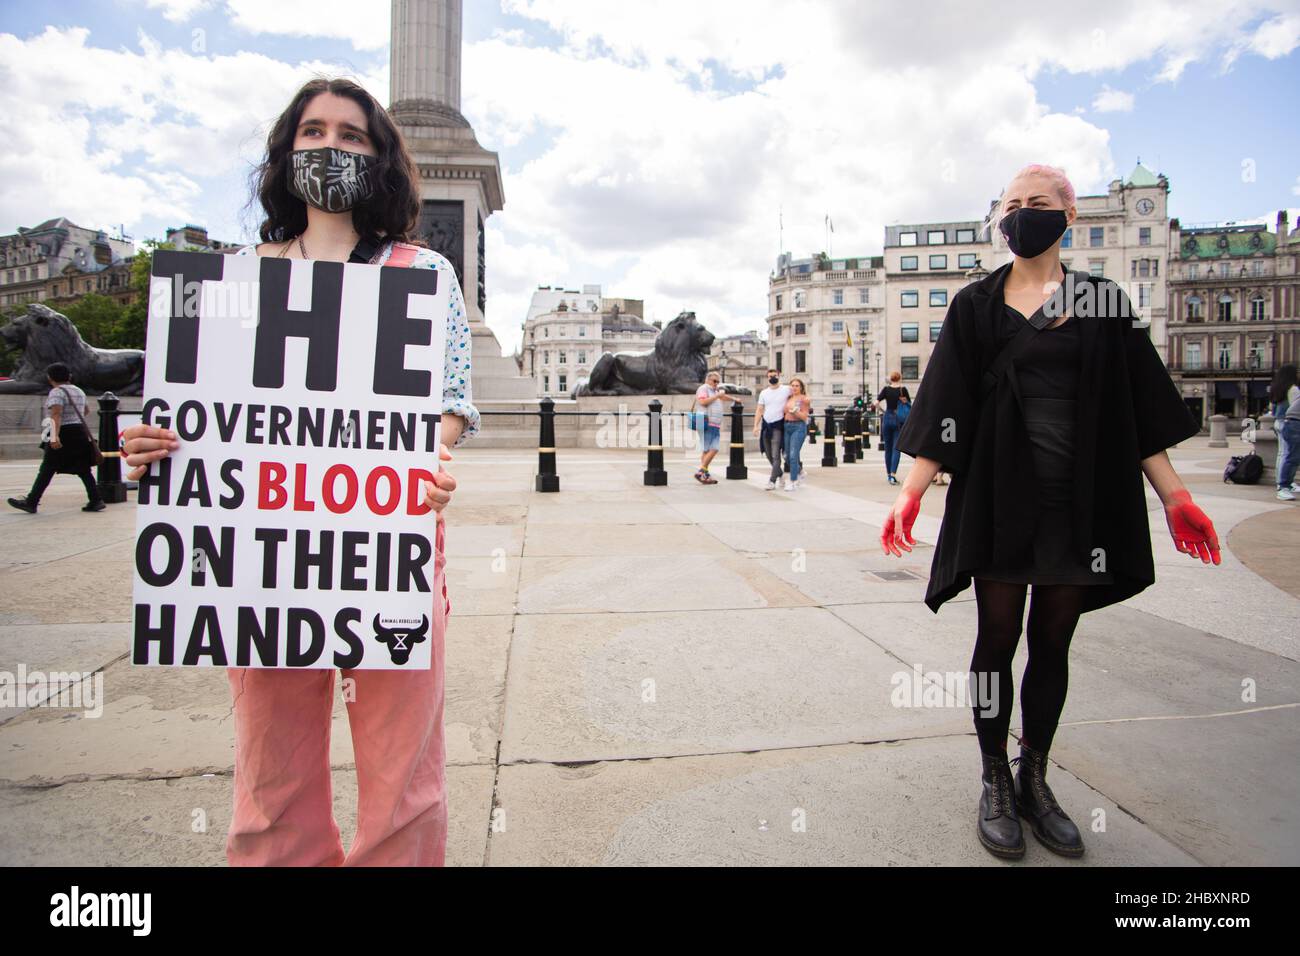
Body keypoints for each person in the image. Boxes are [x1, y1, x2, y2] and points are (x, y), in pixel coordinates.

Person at [119, 77, 480, 867]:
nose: (329, 146)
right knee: (269, 771)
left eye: (352, 135)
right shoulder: (232, 276)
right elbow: (190, 409)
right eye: (312, 131)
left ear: (380, 158)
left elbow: (450, 400)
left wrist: (433, 454)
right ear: (286, 153)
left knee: (403, 773)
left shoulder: (422, 273)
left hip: (388, 542)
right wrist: (147, 444)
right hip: (259, 551)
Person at [882, 163, 1220, 861]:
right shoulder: (976, 306)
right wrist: (909, 493)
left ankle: (1035, 777)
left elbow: (1137, 410)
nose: (1023, 214)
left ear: (1069, 216)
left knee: (1054, 645)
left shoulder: (1103, 300)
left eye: (1038, 203)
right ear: (999, 219)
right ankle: (994, 780)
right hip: (1002, 498)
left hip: (1080, 501)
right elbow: (947, 405)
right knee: (995, 642)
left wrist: (1176, 497)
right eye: (1012, 205)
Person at [7, 363, 105, 514]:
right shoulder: (79, 391)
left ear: (49, 377)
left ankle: (31, 502)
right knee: (83, 468)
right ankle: (96, 499)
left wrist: (54, 436)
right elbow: (85, 411)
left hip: (63, 432)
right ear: (69, 376)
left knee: (47, 468)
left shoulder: (57, 392)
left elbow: (56, 414)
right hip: (78, 431)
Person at [754, 368, 792, 489]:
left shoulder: (786, 389)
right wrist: (756, 426)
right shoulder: (764, 393)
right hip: (766, 425)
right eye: (770, 376)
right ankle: (780, 474)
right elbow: (759, 409)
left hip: (778, 426)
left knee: (776, 455)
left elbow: (798, 396)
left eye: (774, 375)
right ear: (767, 377)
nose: (772, 378)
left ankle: (772, 481)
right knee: (768, 454)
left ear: (779, 376)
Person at [694, 370, 733, 484]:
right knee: (714, 448)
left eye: (718, 382)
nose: (716, 383)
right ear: (708, 380)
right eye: (714, 381)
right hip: (706, 421)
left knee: (706, 450)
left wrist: (735, 399)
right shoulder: (704, 388)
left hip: (713, 423)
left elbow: (723, 397)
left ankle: (705, 475)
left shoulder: (713, 390)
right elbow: (703, 402)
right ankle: (701, 471)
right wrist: (717, 395)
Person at [1268, 364, 1299, 500]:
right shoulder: (1293, 389)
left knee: (1282, 454)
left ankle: (1282, 482)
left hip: (1278, 421)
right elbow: (1295, 407)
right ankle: (1284, 485)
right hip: (1290, 422)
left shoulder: (1276, 388)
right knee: (1288, 455)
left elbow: (1272, 410)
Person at [875, 372, 911, 485]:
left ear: (890, 379)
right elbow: (909, 404)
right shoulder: (903, 390)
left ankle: (888, 474)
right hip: (898, 419)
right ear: (900, 378)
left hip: (887, 417)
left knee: (888, 447)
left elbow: (875, 402)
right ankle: (893, 474)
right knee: (896, 448)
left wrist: (883, 411)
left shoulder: (886, 390)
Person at [782, 377, 812, 490]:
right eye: (792, 385)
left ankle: (793, 481)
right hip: (787, 426)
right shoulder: (788, 398)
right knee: (786, 455)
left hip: (798, 426)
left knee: (793, 455)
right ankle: (800, 471)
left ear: (801, 387)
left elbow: (804, 417)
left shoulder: (804, 399)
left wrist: (796, 411)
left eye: (797, 386)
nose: (794, 388)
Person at [1276, 385, 1300, 502]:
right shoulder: (1293, 388)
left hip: (1292, 422)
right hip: (1295, 423)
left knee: (1294, 457)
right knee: (1292, 457)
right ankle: (1283, 487)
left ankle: (1287, 485)